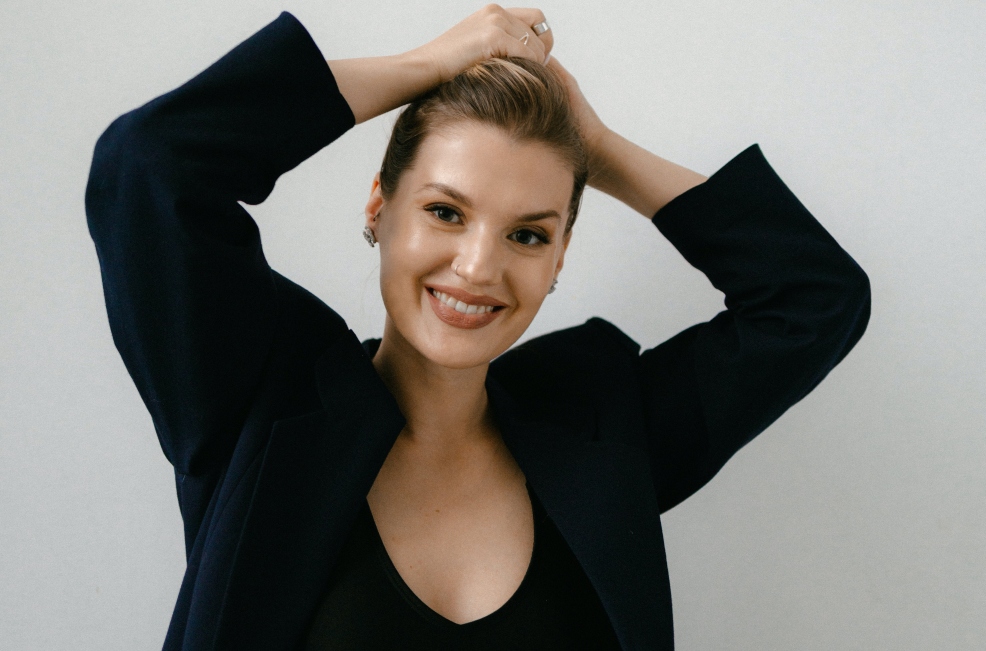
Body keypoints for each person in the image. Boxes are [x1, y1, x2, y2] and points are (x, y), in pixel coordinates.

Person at [84, 5, 871, 651]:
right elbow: (148, 166)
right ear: (377, 207)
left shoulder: (604, 433)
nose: (477, 267)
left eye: (529, 233)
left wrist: (590, 146)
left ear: (561, 254)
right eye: (444, 211)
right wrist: (429, 64)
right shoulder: (256, 404)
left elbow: (815, 298)